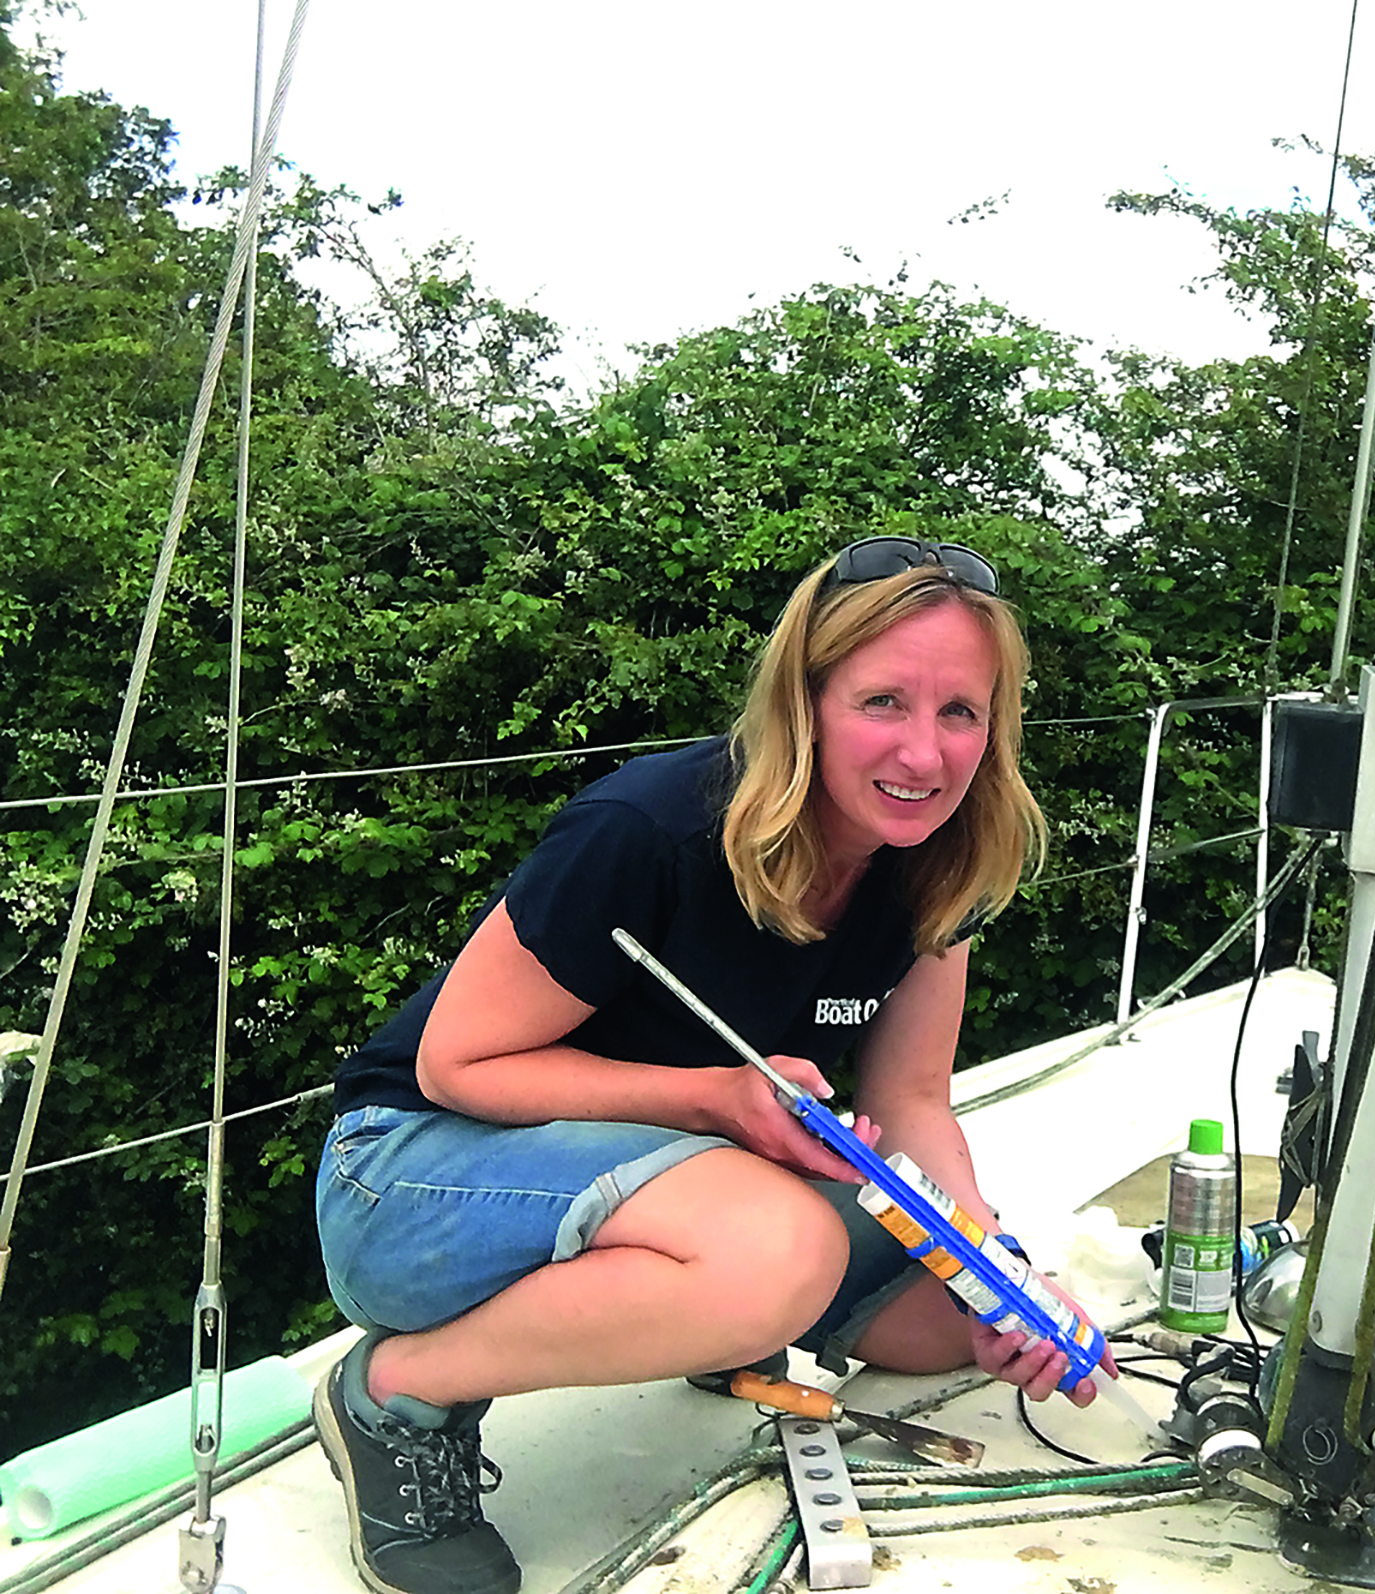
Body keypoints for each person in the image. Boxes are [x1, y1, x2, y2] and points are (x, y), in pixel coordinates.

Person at [313, 537, 1107, 1594]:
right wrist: (713, 1100)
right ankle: (393, 1391)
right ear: (803, 700)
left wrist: (1005, 1281)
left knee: (941, 1325)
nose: (924, 754)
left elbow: (909, 1098)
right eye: (882, 703)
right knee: (773, 1253)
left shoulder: (936, 869)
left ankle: (729, 1313)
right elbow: (458, 1064)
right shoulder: (646, 829)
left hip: (681, 1182)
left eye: (959, 711)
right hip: (408, 1177)